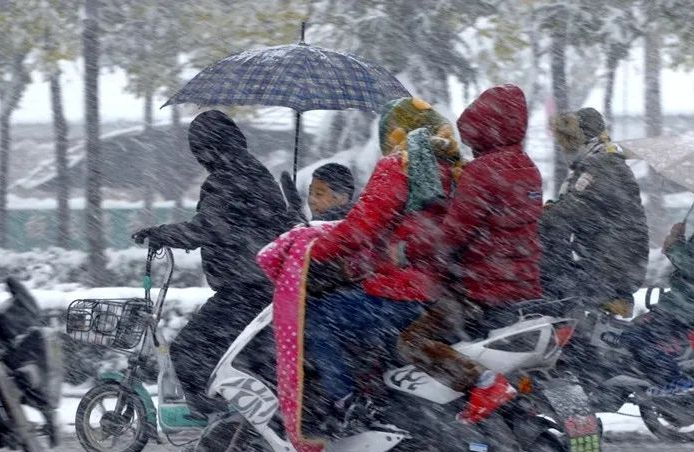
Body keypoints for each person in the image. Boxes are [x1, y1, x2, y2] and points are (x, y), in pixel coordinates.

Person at [303, 97, 463, 427]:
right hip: (440, 292)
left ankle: (346, 401)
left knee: (317, 316)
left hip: (402, 292)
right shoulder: (453, 170)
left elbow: (360, 228)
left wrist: (309, 253)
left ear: (392, 133)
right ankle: (378, 399)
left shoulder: (401, 166)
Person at [397, 84, 542, 422]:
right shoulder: (527, 167)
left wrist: (408, 249)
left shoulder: (482, 171)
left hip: (481, 289)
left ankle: (483, 382)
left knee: (410, 342)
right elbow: (498, 219)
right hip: (521, 286)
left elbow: (453, 236)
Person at [133, 110, 293, 415]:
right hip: (263, 284)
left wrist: (160, 234)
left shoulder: (228, 178)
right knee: (233, 358)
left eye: (199, 149)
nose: (199, 158)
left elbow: (208, 228)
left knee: (187, 353)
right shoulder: (253, 171)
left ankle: (217, 420)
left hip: (245, 288)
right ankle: (229, 417)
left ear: (209, 147)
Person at [622, 201, 694, 395]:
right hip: (687, 304)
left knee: (638, 336)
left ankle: (673, 379)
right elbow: (693, 265)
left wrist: (675, 247)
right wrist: (678, 240)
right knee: (634, 332)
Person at [539, 107, 649, 315]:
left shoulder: (601, 166)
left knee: (547, 292)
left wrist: (537, 216)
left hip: (609, 271)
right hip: (617, 267)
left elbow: (569, 213)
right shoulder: (605, 162)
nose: (565, 151)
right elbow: (579, 206)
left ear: (585, 140)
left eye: (570, 143)